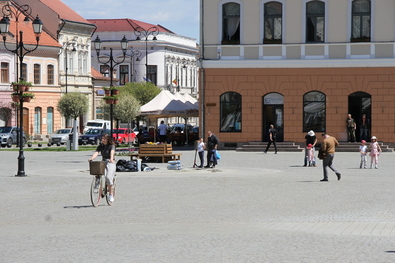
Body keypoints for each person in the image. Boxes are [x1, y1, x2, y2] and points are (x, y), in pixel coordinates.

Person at [88, 134, 116, 202]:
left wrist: (111, 159)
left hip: (110, 162)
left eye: (104, 139)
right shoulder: (101, 146)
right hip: (103, 162)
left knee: (108, 177)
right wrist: (92, 158)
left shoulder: (111, 145)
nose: (102, 140)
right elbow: (97, 152)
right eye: (102, 138)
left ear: (107, 139)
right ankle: (97, 185)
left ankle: (111, 194)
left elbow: (112, 152)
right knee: (98, 171)